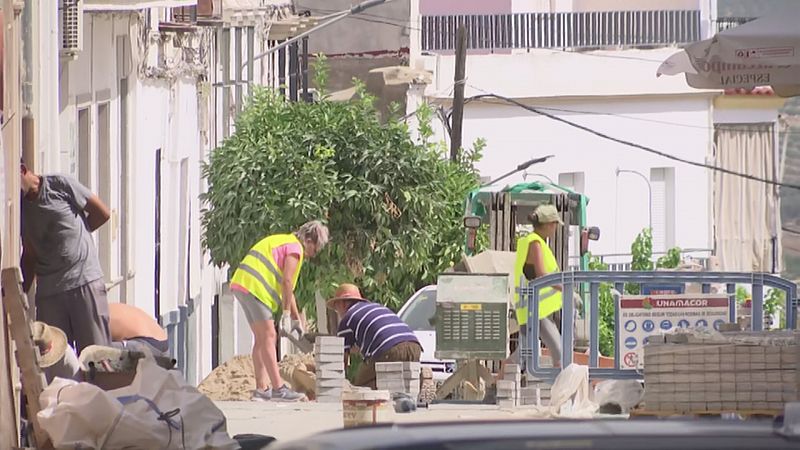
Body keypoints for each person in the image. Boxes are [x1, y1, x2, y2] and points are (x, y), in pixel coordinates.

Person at [230, 220, 329, 402]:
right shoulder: (295, 249)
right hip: (255, 288)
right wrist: (284, 314)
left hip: (243, 284)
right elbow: (287, 282)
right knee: (269, 336)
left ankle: (261, 389)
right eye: (315, 249)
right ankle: (278, 389)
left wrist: (295, 318)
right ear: (309, 240)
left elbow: (288, 291)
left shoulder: (284, 241)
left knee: (261, 339)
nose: (313, 254)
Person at [20, 161, 112, 353]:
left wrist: (78, 237)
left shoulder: (59, 185)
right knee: (56, 361)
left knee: (97, 357)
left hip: (84, 280)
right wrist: (19, 298)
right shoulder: (19, 210)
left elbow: (102, 213)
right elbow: (29, 255)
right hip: (50, 292)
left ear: (22, 170)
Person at [329, 283, 422, 389]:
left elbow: (341, 359)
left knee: (360, 387)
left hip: (389, 348)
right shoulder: (375, 308)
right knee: (403, 380)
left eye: (336, 307)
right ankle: (420, 378)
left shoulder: (347, 319)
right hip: (414, 345)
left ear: (343, 304)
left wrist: (335, 383)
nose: (337, 312)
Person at [510, 204, 564, 371]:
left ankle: (495, 385)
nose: (556, 228)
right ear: (548, 224)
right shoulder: (535, 243)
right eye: (555, 224)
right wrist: (566, 289)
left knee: (523, 354)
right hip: (536, 311)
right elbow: (542, 273)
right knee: (559, 352)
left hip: (535, 310)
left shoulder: (534, 242)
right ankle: (560, 389)